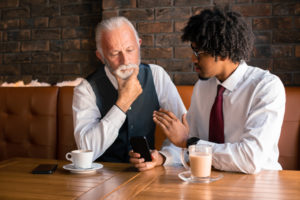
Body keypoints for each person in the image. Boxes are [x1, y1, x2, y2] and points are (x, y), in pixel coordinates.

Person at [151, 6, 286, 174]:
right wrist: (164, 158)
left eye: (198, 52)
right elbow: (188, 144)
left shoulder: (265, 87)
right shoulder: (202, 87)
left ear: (223, 53)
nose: (193, 58)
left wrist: (189, 142)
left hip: (260, 184)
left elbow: (250, 159)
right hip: (208, 181)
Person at [72, 16, 186, 168]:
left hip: (147, 175)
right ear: (101, 56)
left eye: (130, 50)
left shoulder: (157, 76)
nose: (125, 61)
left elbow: (185, 132)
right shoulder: (86, 90)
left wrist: (163, 157)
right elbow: (86, 150)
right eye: (114, 54)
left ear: (139, 45)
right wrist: (122, 103)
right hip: (103, 177)